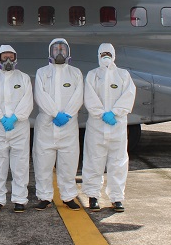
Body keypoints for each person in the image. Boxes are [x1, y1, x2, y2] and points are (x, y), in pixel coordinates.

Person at [82, 43, 136, 212]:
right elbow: (89, 97)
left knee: (118, 162)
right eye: (103, 53)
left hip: (117, 126)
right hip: (97, 126)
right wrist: (101, 113)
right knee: (93, 161)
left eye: (108, 53)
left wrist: (115, 112)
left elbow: (129, 95)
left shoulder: (123, 75)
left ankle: (117, 198)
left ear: (113, 55)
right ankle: (93, 195)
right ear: (98, 55)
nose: (106, 56)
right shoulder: (92, 75)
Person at [33, 38, 84, 211]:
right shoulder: (42, 72)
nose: (59, 52)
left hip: (68, 127)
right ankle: (44, 197)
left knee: (68, 164)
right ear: (50, 52)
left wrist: (67, 114)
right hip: (46, 127)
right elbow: (40, 95)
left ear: (68, 52)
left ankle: (68, 196)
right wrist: (55, 113)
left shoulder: (75, 73)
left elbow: (78, 96)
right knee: (43, 164)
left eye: (63, 49)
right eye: (56, 50)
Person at [0, 45, 33, 213]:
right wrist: (1, 117)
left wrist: (15, 117)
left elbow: (27, 101)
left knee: (20, 164)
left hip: (19, 127)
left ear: (16, 58)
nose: (8, 60)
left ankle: (20, 199)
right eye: (5, 57)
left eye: (11, 57)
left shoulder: (23, 78)